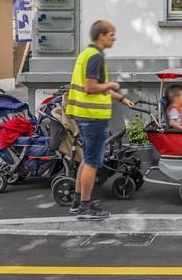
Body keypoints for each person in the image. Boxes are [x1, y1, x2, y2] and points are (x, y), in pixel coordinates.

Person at [65, 20, 135, 220]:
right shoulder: (95, 57)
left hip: (84, 114)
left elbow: (95, 87)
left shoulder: (86, 54)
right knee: (93, 162)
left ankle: (78, 201)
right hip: (93, 117)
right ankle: (86, 207)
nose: (115, 37)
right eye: (112, 34)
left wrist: (121, 98)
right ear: (101, 36)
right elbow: (91, 87)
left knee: (87, 159)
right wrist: (112, 84)